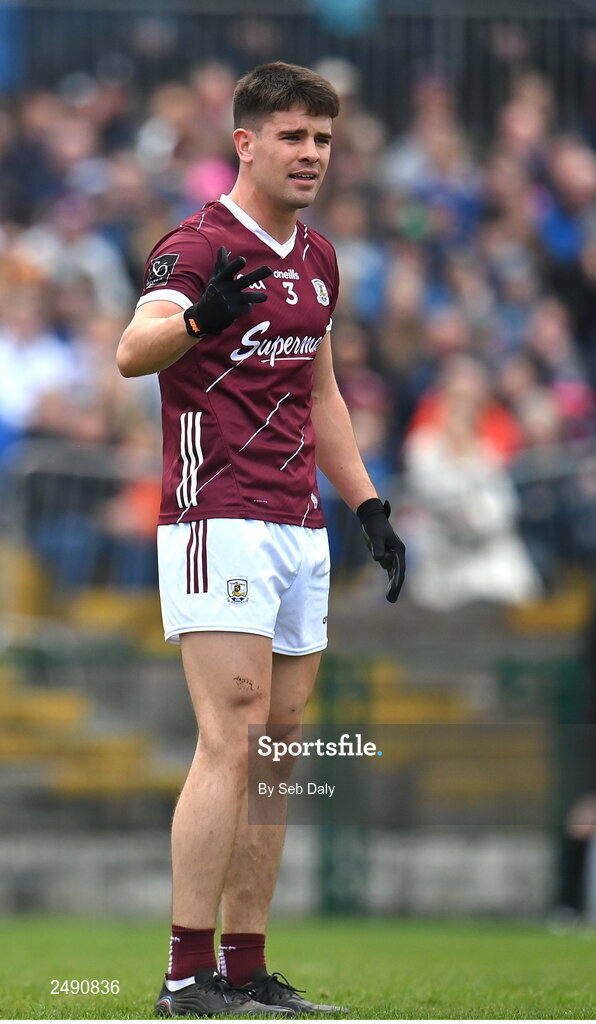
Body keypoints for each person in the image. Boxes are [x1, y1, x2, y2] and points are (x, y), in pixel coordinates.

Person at [117, 61, 405, 1018]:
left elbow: (321, 395)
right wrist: (201, 316)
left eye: (323, 139)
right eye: (293, 136)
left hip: (298, 524)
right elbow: (133, 350)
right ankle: (184, 973)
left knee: (280, 747)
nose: (312, 154)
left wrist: (367, 505)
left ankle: (245, 968)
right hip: (217, 518)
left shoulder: (318, 258)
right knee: (230, 735)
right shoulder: (199, 246)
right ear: (245, 142)